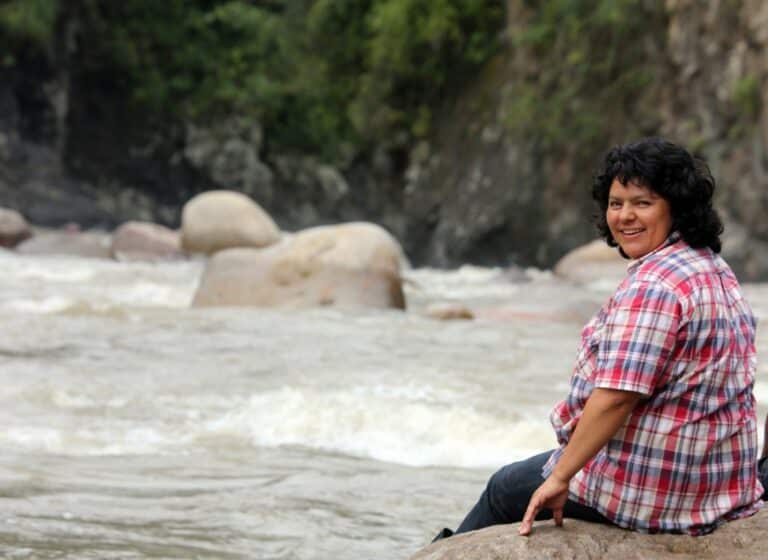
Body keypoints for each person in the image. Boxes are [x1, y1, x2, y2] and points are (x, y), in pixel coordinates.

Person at [434, 138, 766, 542]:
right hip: (714, 481)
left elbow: (616, 397)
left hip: (655, 487)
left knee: (505, 487)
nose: (625, 216)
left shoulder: (656, 286)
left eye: (642, 203)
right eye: (616, 203)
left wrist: (560, 476)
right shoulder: (712, 267)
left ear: (676, 207)